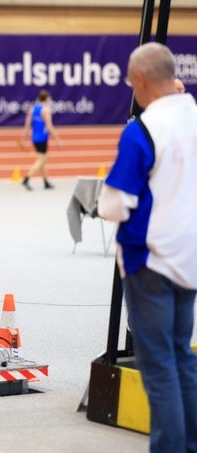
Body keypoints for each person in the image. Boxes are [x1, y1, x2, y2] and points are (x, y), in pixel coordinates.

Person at [97, 42, 197, 453]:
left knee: (157, 366)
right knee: (182, 357)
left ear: (139, 81)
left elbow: (113, 204)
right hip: (190, 257)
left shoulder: (143, 129)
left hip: (151, 258)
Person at [20, 89, 62, 190]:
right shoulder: (46, 110)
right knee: (41, 160)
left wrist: (23, 138)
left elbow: (27, 125)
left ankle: (46, 182)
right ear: (46, 98)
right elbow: (49, 126)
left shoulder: (32, 108)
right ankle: (27, 178)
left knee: (43, 160)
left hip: (34, 137)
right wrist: (57, 139)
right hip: (43, 137)